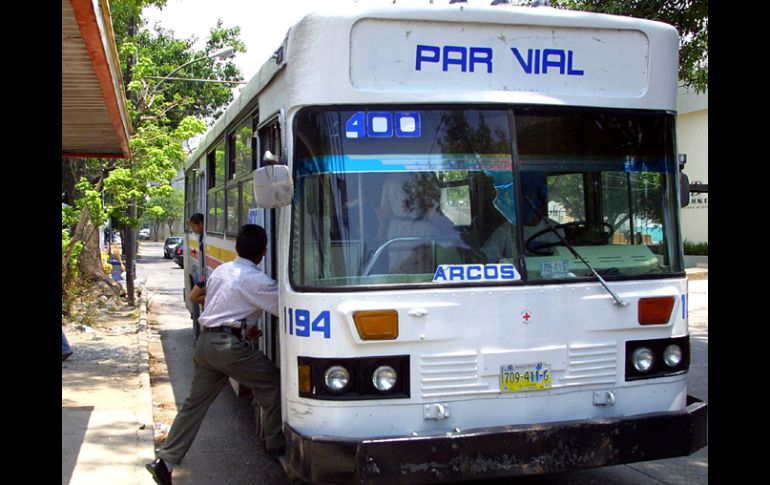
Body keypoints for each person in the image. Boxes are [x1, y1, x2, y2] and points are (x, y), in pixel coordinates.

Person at [145, 224, 283, 485]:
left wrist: (245, 329)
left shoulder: (222, 270)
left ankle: (166, 461)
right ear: (264, 252)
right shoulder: (258, 281)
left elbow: (223, 304)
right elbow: (286, 308)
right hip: (227, 348)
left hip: (206, 342)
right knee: (273, 383)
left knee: (194, 406)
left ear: (238, 247)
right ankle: (278, 448)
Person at [481, 173, 564, 263]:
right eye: (527, 204)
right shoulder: (505, 230)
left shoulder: (555, 229)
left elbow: (562, 259)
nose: (531, 208)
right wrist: (477, 257)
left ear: (542, 205)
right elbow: (488, 254)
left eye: (534, 203)